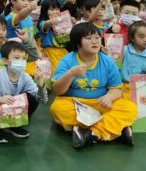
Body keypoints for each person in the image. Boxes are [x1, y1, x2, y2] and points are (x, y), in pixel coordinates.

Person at [51, 22, 138, 150]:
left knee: (130, 108)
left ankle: (91, 133)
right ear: (77, 43)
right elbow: (57, 91)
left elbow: (117, 89)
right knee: (58, 108)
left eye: (97, 37)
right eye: (88, 38)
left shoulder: (107, 62)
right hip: (76, 104)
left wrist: (109, 97)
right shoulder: (67, 61)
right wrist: (70, 74)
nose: (95, 41)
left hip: (101, 104)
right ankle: (116, 129)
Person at [0, 41, 48, 143]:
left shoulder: (25, 77)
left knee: (32, 98)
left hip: (10, 109)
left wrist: (41, 84)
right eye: (16, 58)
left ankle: (13, 125)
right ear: (5, 61)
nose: (21, 61)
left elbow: (42, 100)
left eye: (23, 58)